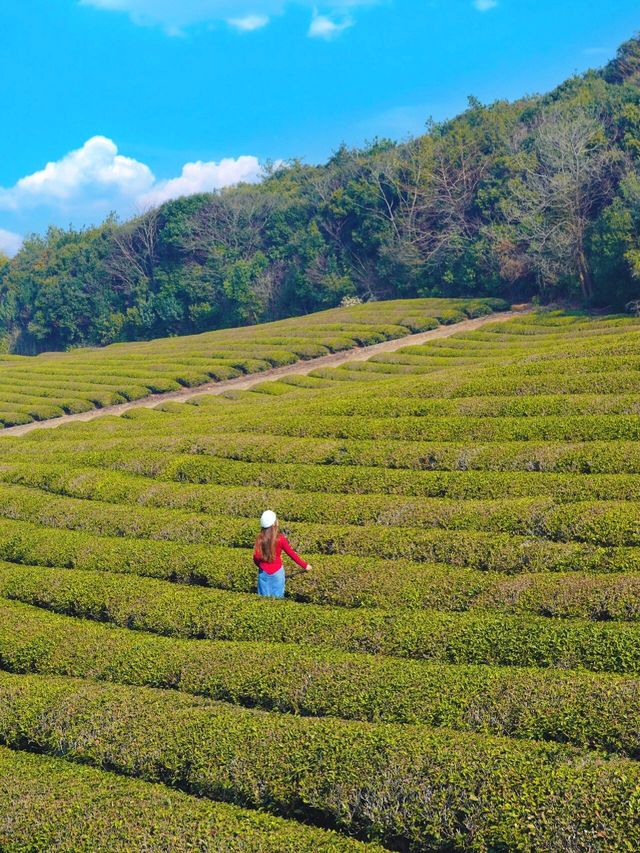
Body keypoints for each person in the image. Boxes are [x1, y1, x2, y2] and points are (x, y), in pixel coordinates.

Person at [254, 510, 311, 598]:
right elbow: (291, 554)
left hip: (263, 573)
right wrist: (305, 565)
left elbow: (256, 557)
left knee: (263, 599)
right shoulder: (280, 538)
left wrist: (262, 565)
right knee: (278, 599)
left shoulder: (260, 538)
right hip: (277, 573)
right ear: (274, 524)